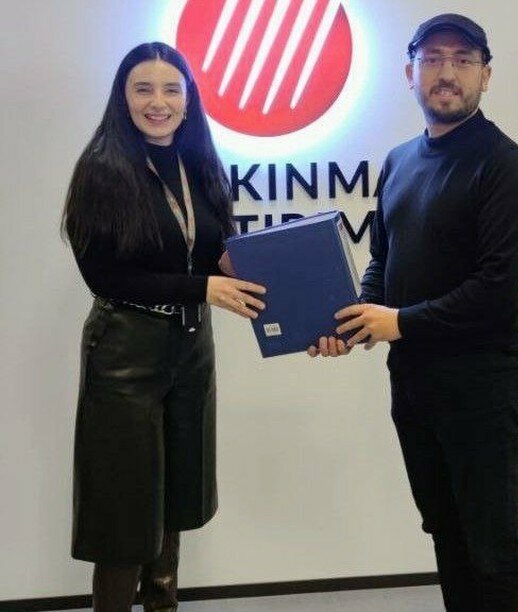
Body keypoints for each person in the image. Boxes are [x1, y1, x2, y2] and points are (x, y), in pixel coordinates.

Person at [310, 14, 518, 612]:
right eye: (434, 59)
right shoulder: (399, 161)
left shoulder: (506, 167)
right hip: (413, 386)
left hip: (481, 389)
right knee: (446, 534)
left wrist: (400, 323)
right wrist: (348, 322)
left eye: (463, 60)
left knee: (492, 549)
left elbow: (496, 290)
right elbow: (383, 262)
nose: (447, 72)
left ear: (485, 76)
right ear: (409, 72)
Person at [62, 42, 266, 612]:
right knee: (123, 510)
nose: (159, 102)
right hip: (125, 351)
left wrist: (259, 268)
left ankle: (162, 604)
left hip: (191, 348)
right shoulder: (101, 169)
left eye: (172, 89)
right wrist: (202, 287)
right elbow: (105, 276)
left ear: (188, 98)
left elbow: (213, 251)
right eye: (143, 89)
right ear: (123, 97)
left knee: (176, 494)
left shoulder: (199, 162)